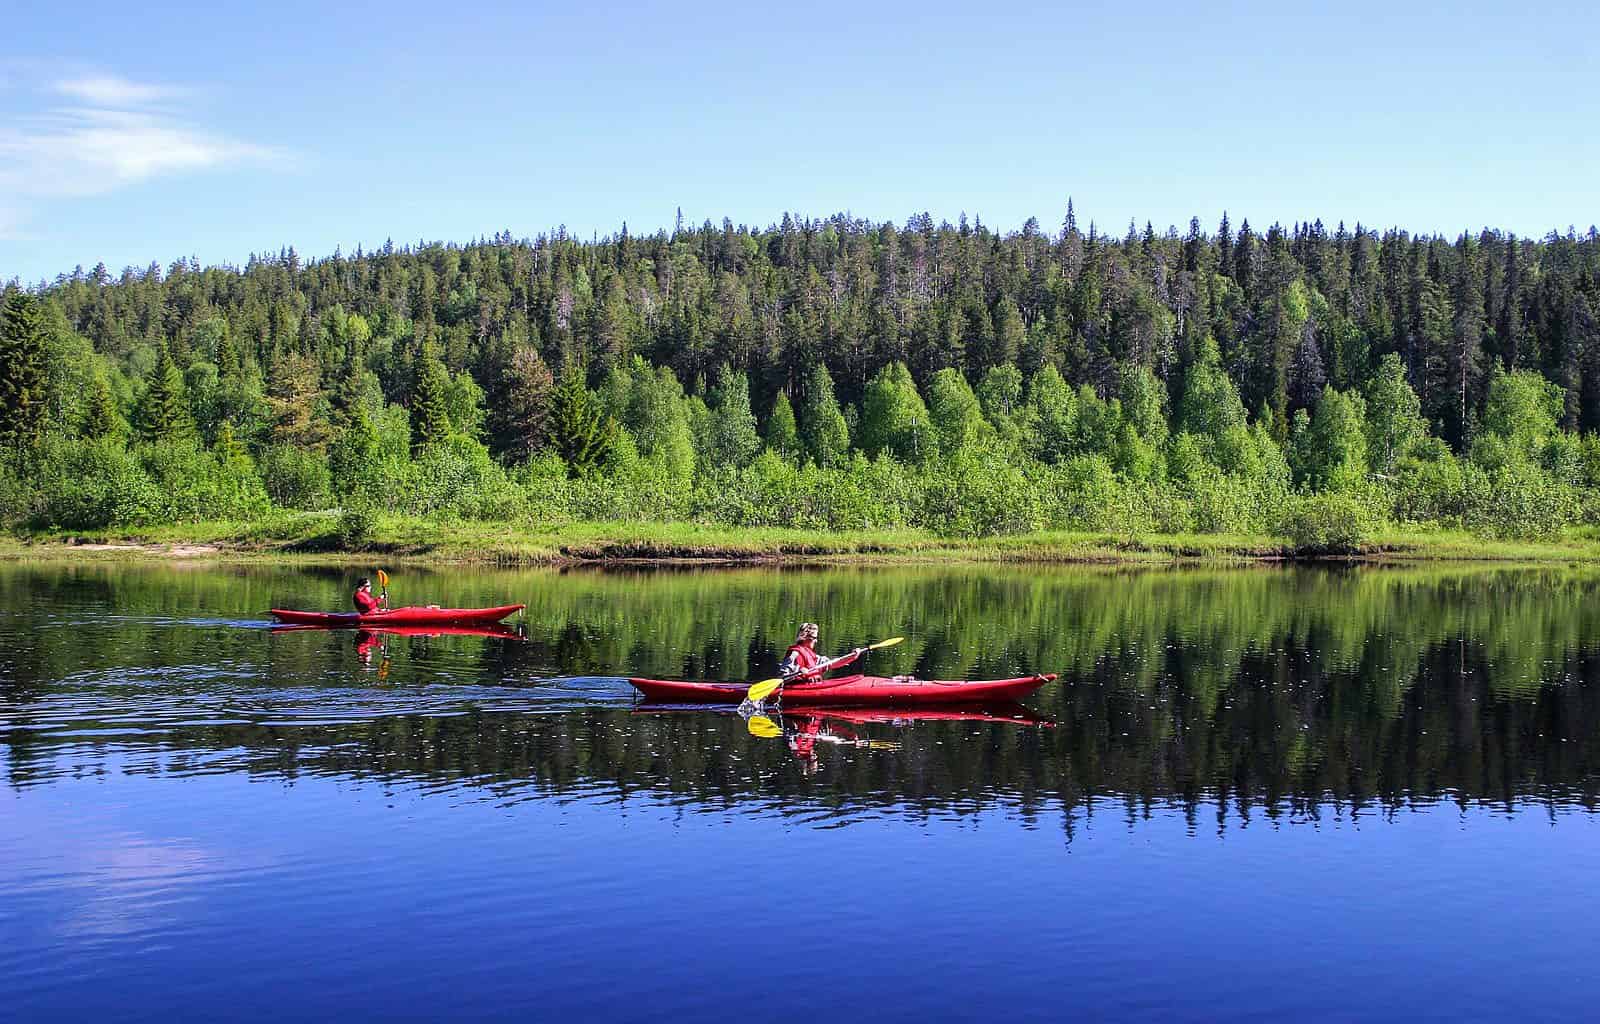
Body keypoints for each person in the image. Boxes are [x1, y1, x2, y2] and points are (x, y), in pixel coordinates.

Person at [777, 622, 863, 682]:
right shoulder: (794, 654)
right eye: (814, 638)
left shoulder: (814, 657)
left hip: (812, 687)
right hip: (797, 689)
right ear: (805, 638)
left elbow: (833, 663)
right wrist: (798, 672)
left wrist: (853, 656)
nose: (816, 641)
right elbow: (782, 677)